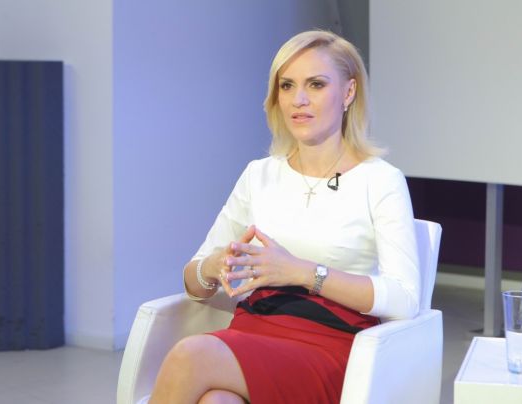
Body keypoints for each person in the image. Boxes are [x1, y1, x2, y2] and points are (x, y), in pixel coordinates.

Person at [149, 29, 420, 404]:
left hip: (331, 345)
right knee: (216, 402)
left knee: (190, 355)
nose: (299, 99)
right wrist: (213, 266)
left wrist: (302, 272)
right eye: (287, 85)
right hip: (252, 329)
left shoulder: (380, 180)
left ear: (349, 92)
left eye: (316, 84)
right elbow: (194, 283)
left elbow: (405, 298)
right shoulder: (259, 175)